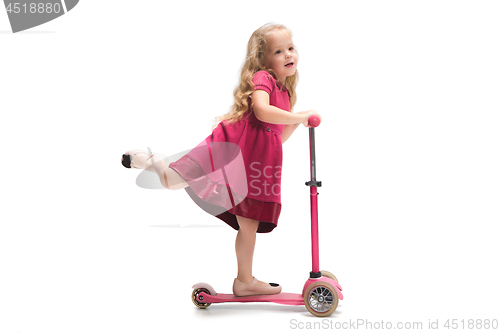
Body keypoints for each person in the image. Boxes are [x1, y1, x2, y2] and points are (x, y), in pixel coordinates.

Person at [121, 23, 321, 297]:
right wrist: (299, 116)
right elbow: (262, 112)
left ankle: (244, 280)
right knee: (172, 181)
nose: (288, 54)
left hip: (256, 162)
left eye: (290, 48)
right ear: (263, 60)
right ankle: (153, 161)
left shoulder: (285, 92)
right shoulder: (263, 78)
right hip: (230, 148)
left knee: (248, 222)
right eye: (278, 51)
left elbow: (277, 136)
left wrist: (298, 121)